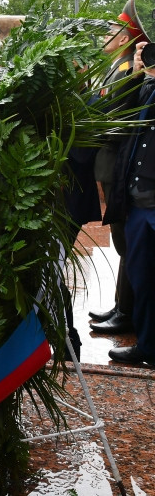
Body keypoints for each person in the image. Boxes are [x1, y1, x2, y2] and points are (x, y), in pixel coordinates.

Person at [90, 0, 150, 334]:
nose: (106, 36)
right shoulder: (115, 67)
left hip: (117, 164)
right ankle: (121, 307)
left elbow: (117, 114)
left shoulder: (129, 69)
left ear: (125, 38)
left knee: (127, 241)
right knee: (122, 239)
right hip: (108, 165)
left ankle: (128, 314)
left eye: (112, 31)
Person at [103, 39, 155, 366]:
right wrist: (137, 74)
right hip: (138, 202)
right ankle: (148, 347)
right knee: (142, 278)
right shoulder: (148, 87)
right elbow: (116, 113)